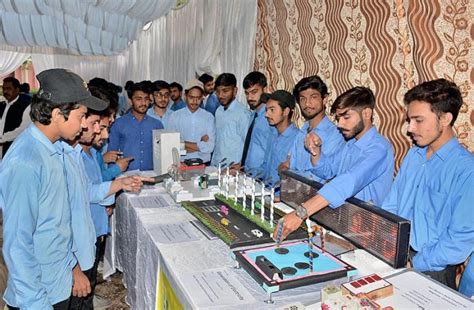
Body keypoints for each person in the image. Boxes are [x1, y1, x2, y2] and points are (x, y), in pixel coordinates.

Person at [0, 68, 106, 309]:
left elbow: (58, 222)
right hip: (39, 295)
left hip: (58, 282)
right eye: (81, 116)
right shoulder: (26, 162)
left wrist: (71, 266)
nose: (84, 125)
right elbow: (18, 244)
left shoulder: (55, 149)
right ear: (58, 114)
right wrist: (36, 303)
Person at [381, 79, 474, 289]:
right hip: (397, 252)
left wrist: (415, 263)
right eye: (409, 120)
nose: (410, 128)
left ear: (445, 119)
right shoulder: (414, 156)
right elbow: (392, 205)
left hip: (432, 269)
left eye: (418, 120)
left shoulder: (467, 170)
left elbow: (458, 240)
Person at [275, 86, 394, 241]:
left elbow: (346, 182)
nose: (340, 124)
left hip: (367, 232)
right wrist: (316, 150)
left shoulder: (379, 148)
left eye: (346, 117)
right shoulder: (350, 144)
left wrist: (300, 213)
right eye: (338, 119)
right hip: (344, 223)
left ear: (366, 113)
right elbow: (327, 170)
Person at [279, 75, 345, 182]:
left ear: (324, 99)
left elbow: (325, 175)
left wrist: (288, 174)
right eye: (302, 99)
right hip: (291, 193)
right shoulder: (302, 131)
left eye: (313, 97)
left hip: (315, 197)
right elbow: (286, 165)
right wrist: (284, 170)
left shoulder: (335, 135)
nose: (307, 104)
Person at [108, 82, 163, 171]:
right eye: (139, 99)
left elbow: (162, 154)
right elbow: (111, 154)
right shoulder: (118, 124)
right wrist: (113, 176)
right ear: (130, 101)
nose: (143, 103)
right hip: (126, 176)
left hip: (151, 175)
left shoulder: (157, 124)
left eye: (146, 99)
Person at [255, 90, 300, 188]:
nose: (267, 114)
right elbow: (265, 166)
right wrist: (247, 175)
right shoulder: (272, 133)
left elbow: (295, 177)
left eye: (272, 110)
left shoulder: (297, 139)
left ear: (286, 111)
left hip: (280, 197)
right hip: (265, 190)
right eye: (267, 110)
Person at [167, 79, 215, 164]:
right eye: (191, 97)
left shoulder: (209, 117)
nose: (195, 101)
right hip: (181, 163)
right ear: (185, 96)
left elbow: (210, 147)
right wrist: (199, 144)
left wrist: (182, 143)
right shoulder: (174, 117)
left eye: (198, 98)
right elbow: (172, 145)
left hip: (203, 164)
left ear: (202, 98)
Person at [211, 73, 252, 166]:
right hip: (216, 165)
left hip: (232, 169)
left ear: (235, 90)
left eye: (225, 91)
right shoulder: (219, 111)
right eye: (217, 91)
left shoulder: (243, 114)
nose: (220, 95)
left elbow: (248, 145)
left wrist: (241, 165)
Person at [238, 71, 273, 174]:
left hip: (261, 177)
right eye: (247, 93)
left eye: (254, 92)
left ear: (265, 89)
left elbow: (270, 152)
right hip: (248, 174)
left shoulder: (270, 117)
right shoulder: (253, 115)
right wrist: (242, 166)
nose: (249, 98)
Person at [0, 77, 32, 157]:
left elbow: (23, 129)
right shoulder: (2, 104)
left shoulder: (26, 106)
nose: (5, 91)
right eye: (3, 89)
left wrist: (2, 138)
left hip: (15, 150)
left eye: (8, 89)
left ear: (17, 90)